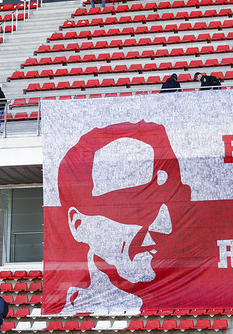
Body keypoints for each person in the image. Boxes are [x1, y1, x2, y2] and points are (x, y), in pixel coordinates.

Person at [58, 121, 191, 312]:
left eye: (169, 204)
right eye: (134, 212)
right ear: (79, 224)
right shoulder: (77, 307)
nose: (163, 227)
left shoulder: (194, 294)